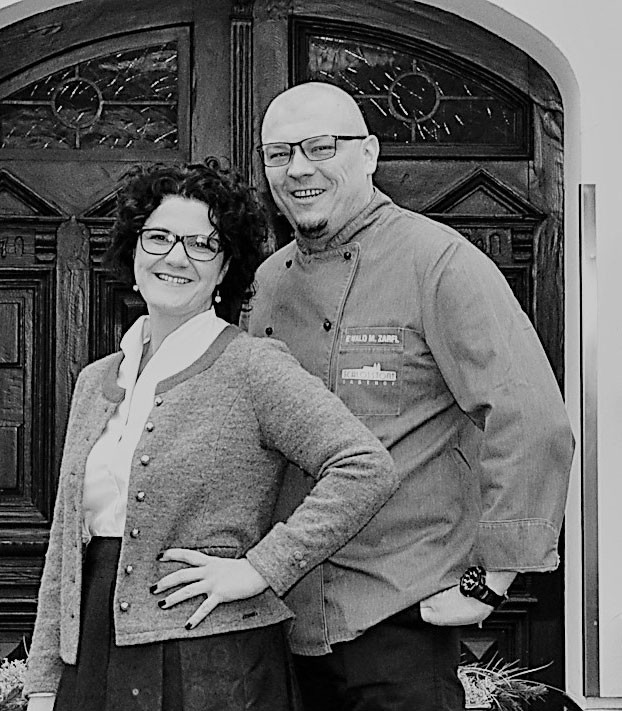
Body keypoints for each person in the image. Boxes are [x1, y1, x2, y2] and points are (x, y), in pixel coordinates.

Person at [239, 82, 575, 710]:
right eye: (279, 153)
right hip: (282, 620)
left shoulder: (439, 261)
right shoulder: (267, 283)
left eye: (321, 147)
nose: (299, 168)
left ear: (368, 153)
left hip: (400, 617)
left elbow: (529, 418)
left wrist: (492, 578)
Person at [23, 161, 398, 711]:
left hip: (214, 664)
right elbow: (65, 543)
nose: (176, 257)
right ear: (133, 251)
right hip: (94, 652)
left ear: (225, 269)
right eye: (158, 237)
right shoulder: (97, 380)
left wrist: (261, 568)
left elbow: (364, 466)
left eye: (203, 244)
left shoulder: (253, 367)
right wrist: (42, 683)